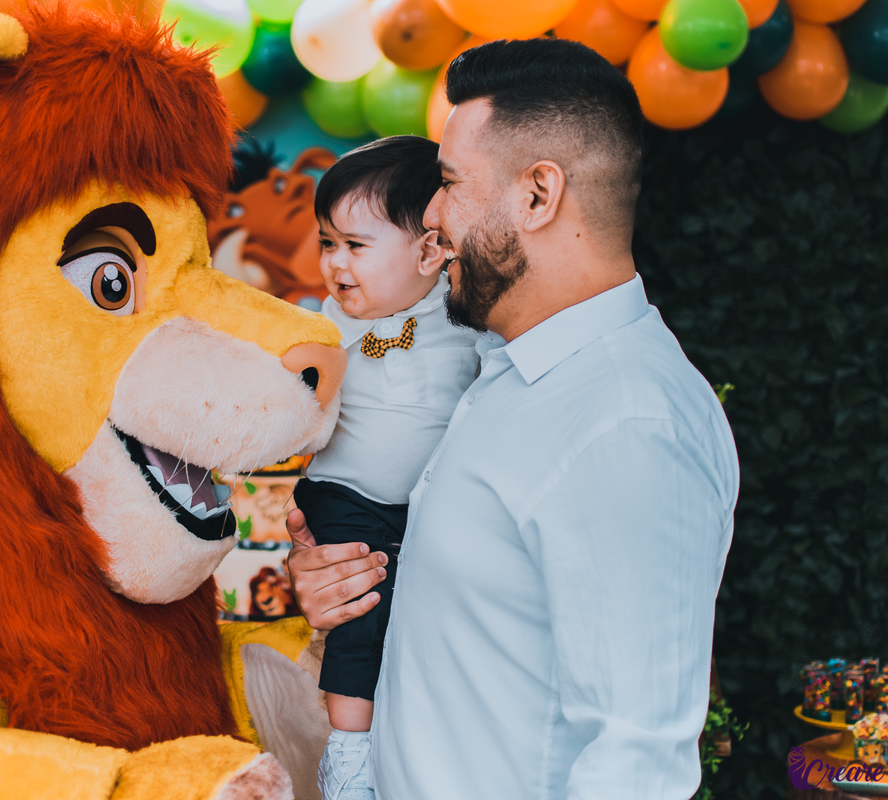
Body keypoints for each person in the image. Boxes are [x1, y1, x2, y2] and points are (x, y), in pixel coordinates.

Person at [286, 38, 740, 800]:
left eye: (451, 183)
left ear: (538, 195)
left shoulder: (625, 424)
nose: (430, 214)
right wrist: (343, 590)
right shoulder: (502, 374)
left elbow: (634, 765)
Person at [293, 135, 480, 800]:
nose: (336, 265)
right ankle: (348, 753)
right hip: (342, 493)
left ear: (430, 250)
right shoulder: (327, 324)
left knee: (419, 608)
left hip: (423, 507)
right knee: (361, 606)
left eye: (356, 245)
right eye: (326, 243)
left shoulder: (467, 323)